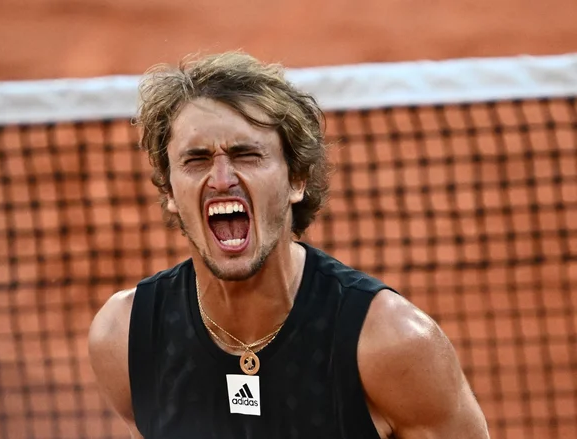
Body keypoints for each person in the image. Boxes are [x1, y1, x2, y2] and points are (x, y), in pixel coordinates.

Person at [88, 51, 490, 439]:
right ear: (170, 190)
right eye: (196, 160)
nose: (222, 178)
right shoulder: (127, 339)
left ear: (296, 179)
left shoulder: (391, 343)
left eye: (246, 155)